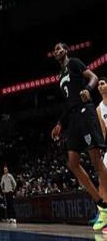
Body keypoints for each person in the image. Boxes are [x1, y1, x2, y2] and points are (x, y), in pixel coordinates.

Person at [50, 43, 107, 231]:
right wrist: (60, 123)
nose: (58, 51)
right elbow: (69, 103)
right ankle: (102, 205)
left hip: (85, 111)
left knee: (96, 160)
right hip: (73, 117)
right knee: (72, 163)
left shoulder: (74, 62)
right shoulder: (60, 76)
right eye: (55, 50)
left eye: (60, 48)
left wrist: (88, 89)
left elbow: (93, 77)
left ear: (66, 51)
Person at [95, 77, 107, 165]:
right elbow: (103, 131)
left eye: (102, 83)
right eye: (98, 85)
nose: (100, 86)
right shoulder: (99, 109)